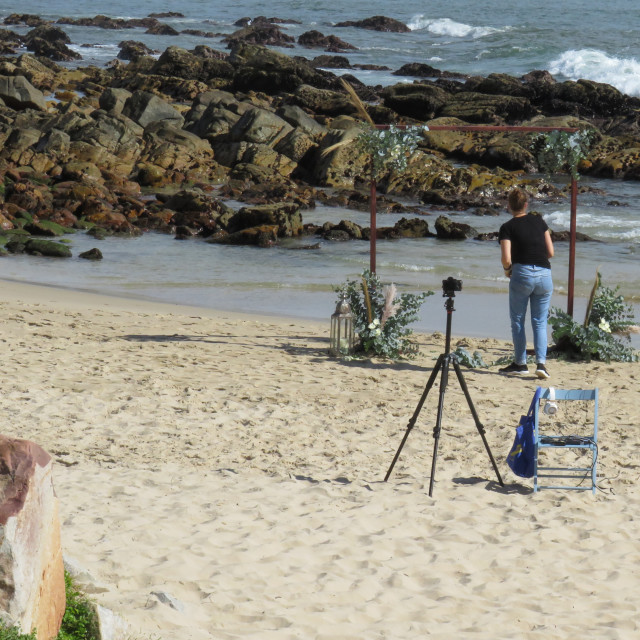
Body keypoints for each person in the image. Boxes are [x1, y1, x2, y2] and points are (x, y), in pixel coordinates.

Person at [498, 188, 554, 379]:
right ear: (526, 205)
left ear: (509, 206)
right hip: (545, 274)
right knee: (539, 322)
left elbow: (506, 259)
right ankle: (541, 364)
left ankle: (520, 363)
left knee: (518, 320)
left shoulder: (507, 227)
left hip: (522, 274)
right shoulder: (539, 221)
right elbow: (551, 252)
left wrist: (508, 271)